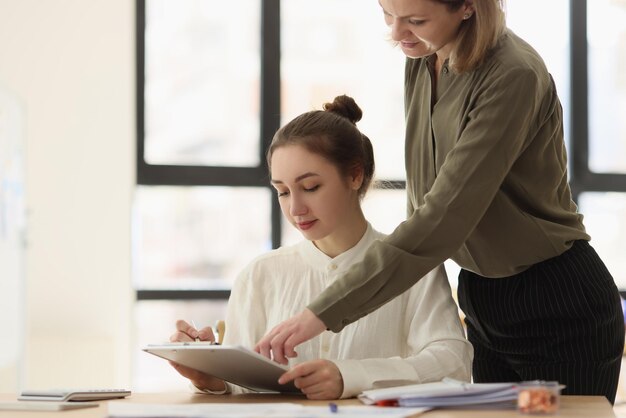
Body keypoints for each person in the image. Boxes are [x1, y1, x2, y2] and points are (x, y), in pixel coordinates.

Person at [255, 0, 625, 404]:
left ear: (467, 7)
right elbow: (424, 195)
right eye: (387, 15)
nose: (397, 35)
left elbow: (446, 214)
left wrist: (324, 311)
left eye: (415, 21)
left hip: (555, 300)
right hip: (482, 299)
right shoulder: (422, 58)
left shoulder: (513, 74)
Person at [169, 95, 472, 400]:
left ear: (355, 175)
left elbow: (453, 364)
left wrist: (349, 377)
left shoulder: (411, 267)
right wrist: (210, 376)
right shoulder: (260, 275)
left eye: (310, 187)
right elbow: (243, 388)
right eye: (283, 192)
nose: (296, 209)